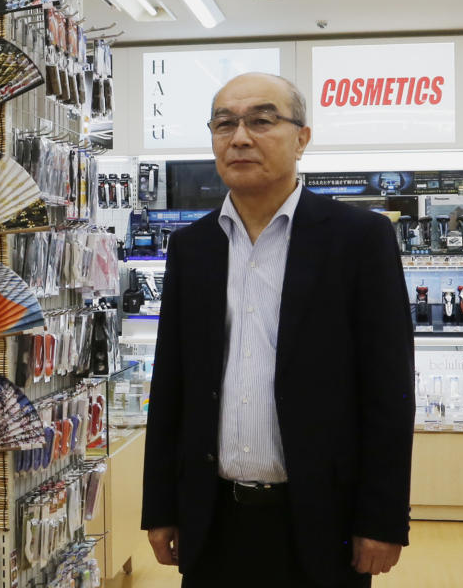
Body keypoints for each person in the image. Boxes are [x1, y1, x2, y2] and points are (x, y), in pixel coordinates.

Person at [140, 73, 415, 587]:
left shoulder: (359, 240)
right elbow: (171, 385)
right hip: (212, 519)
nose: (240, 137)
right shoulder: (192, 247)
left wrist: (381, 518)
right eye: (225, 124)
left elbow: (389, 391)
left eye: (261, 121)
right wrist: (159, 506)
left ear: (302, 137)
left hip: (320, 521)